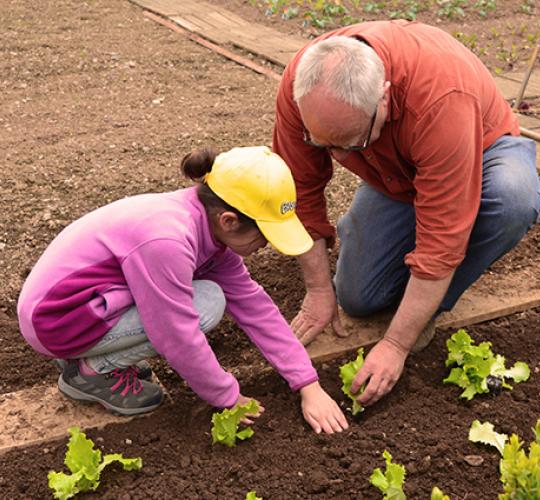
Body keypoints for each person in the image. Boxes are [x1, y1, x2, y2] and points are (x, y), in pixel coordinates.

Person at [273, 21, 540, 407]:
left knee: (513, 197)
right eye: (322, 144)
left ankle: (432, 303)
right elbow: (300, 192)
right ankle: (413, 287)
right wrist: (318, 291)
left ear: (383, 98)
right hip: (398, 172)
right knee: (359, 298)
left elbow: (442, 239)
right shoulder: (302, 84)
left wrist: (396, 344)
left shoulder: (440, 98)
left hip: (480, 151)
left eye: (350, 144)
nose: (335, 157)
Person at [17, 146, 348, 434]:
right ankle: (92, 372)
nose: (267, 245)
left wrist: (308, 383)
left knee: (206, 297)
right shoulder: (167, 241)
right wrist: (228, 396)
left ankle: (97, 352)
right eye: (264, 235)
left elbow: (253, 305)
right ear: (229, 220)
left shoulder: (206, 228)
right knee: (205, 305)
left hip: (80, 307)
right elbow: (175, 334)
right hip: (54, 320)